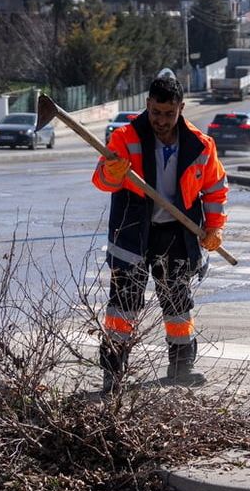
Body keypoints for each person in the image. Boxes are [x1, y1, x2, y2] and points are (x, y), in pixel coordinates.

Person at [91, 72, 227, 391]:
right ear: (147, 104)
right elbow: (101, 181)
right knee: (123, 305)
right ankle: (113, 373)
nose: (161, 120)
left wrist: (214, 228)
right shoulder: (125, 138)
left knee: (178, 303)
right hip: (133, 232)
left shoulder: (200, 145)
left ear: (181, 108)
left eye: (169, 113)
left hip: (176, 233)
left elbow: (214, 188)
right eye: (155, 112)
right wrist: (112, 172)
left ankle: (181, 368)